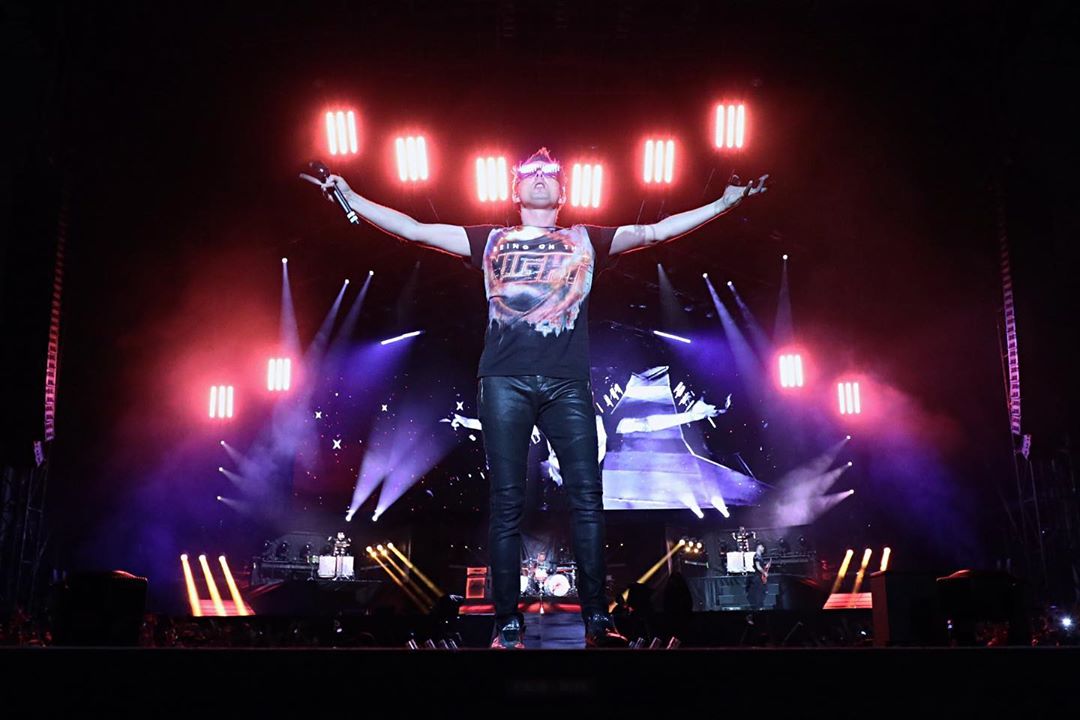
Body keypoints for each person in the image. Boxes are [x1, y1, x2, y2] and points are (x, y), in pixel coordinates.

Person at [306, 148, 768, 648]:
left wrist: (723, 204)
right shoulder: (490, 240)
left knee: (587, 498)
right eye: (531, 172)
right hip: (503, 381)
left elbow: (655, 231)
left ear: (563, 191)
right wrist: (352, 197)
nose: (541, 176)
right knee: (507, 502)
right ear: (516, 189)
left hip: (567, 383)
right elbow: (414, 229)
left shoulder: (586, 239)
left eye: (550, 173)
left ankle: (597, 620)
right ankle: (507, 624)